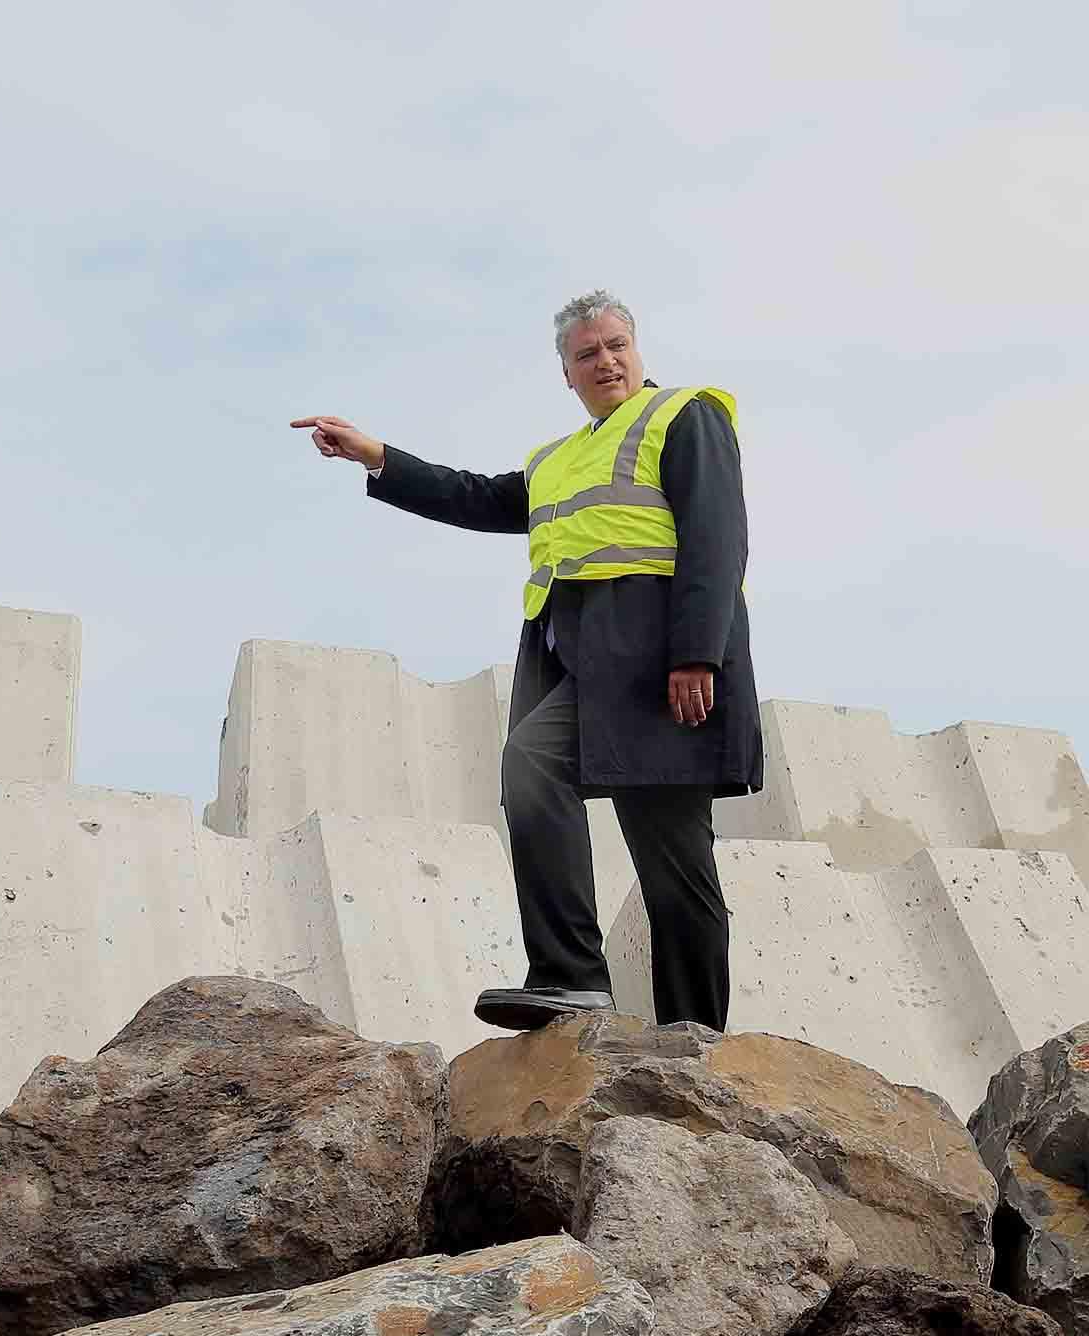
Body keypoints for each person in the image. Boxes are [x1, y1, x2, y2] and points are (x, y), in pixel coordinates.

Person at [293, 291, 759, 1032]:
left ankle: (675, 1027)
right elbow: (476, 497)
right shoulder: (556, 458)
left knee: (662, 860)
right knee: (578, 796)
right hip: (582, 657)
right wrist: (376, 455)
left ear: (637, 351)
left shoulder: (684, 415)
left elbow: (717, 534)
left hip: (656, 656)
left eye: (615, 346)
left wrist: (697, 654)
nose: (604, 361)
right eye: (586, 354)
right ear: (565, 374)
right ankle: (594, 987)